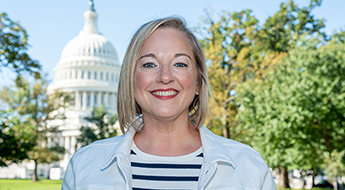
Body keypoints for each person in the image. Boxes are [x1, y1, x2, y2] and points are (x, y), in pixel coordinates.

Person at [61, 16, 277, 190]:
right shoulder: (83, 168)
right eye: (149, 64)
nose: (165, 76)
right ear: (130, 79)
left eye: (180, 64)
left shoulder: (249, 168)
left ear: (199, 83)